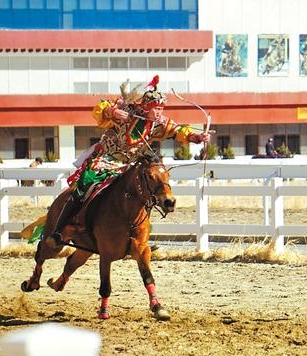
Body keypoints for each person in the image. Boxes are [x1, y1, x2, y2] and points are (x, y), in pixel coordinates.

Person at [47, 75, 210, 245]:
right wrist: (112, 111)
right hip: (106, 159)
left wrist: (196, 137)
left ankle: (139, 238)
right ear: (146, 108)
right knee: (84, 187)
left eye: (162, 109)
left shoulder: (158, 123)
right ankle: (60, 230)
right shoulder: (126, 111)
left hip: (130, 164)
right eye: (156, 109)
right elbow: (100, 109)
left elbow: (177, 130)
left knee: (146, 191)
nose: (160, 113)